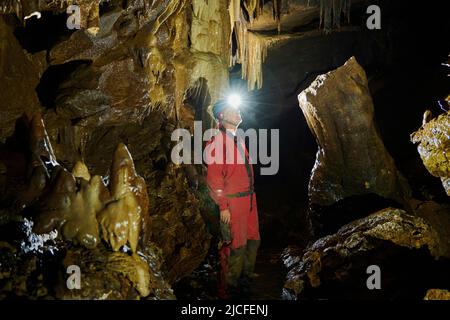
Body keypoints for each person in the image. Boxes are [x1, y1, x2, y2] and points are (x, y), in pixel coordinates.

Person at [204, 99, 260, 299]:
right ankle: (228, 291)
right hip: (233, 203)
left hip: (249, 201)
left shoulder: (238, 139)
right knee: (234, 247)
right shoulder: (217, 143)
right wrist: (223, 207)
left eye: (237, 109)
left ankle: (244, 283)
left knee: (252, 241)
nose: (237, 112)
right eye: (231, 110)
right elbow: (214, 180)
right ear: (221, 117)